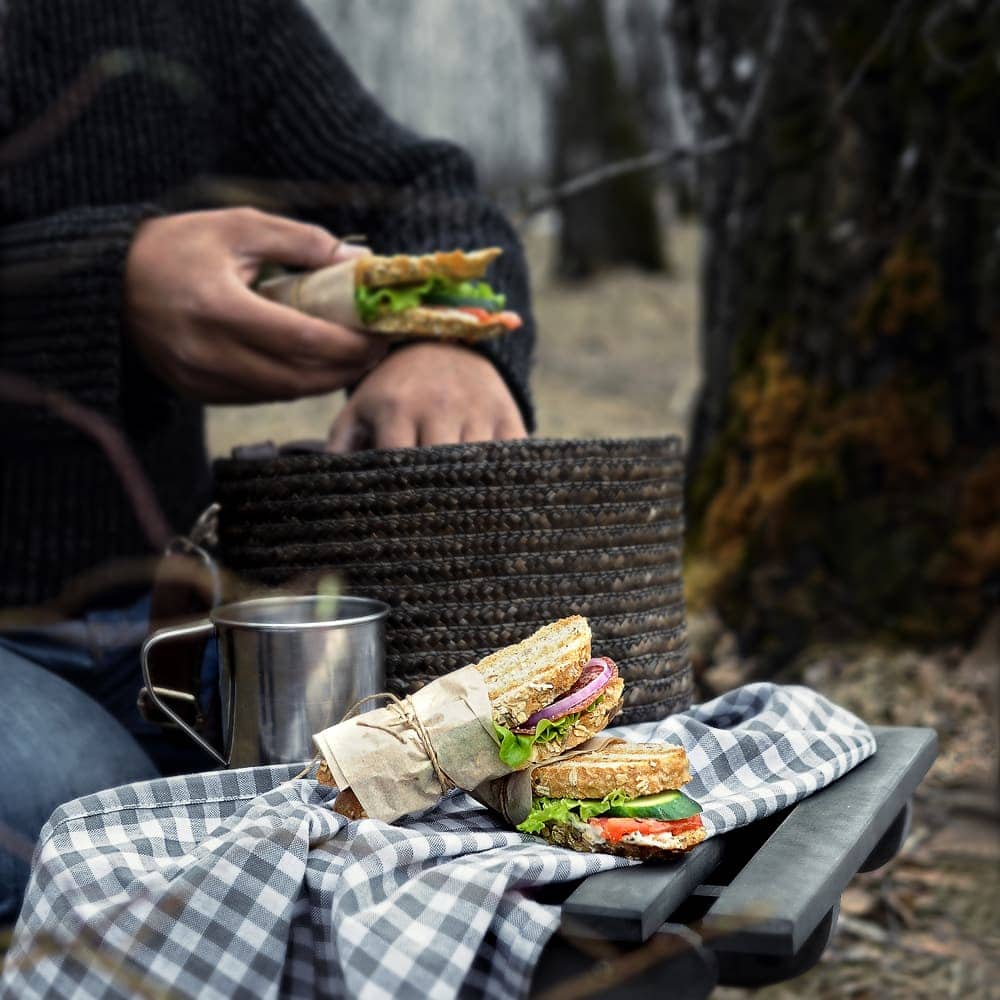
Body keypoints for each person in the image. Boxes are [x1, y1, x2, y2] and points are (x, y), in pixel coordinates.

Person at [0, 0, 535, 923]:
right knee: (98, 818)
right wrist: (99, 289)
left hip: (182, 613)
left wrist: (448, 338)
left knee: (462, 798)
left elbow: (419, 186)